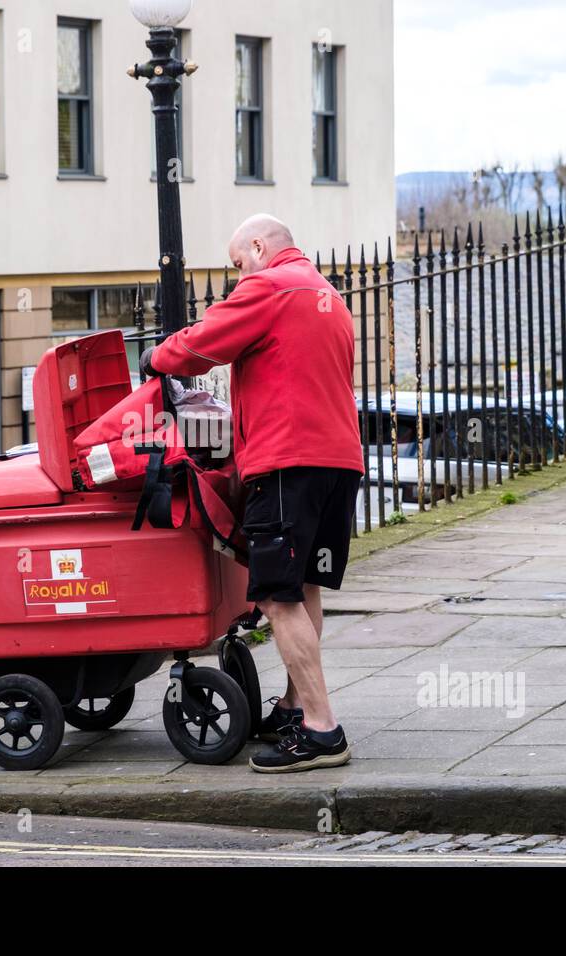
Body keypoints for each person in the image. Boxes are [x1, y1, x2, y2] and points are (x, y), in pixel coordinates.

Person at [140, 215, 363, 773]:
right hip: (337, 462)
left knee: (275, 596)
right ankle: (294, 706)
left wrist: (155, 356)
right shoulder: (325, 293)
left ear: (260, 247)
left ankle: (321, 729)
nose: (238, 274)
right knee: (305, 585)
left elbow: (201, 345)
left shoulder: (268, 286)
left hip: (289, 463)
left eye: (238, 262)